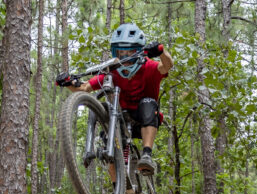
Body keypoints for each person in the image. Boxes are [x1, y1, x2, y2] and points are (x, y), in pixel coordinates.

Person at [56, 23, 173, 176]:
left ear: (138, 51)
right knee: (107, 126)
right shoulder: (113, 73)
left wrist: (161, 51)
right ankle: (117, 190)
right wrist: (68, 82)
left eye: (130, 52)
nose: (125, 57)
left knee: (148, 103)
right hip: (121, 120)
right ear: (114, 53)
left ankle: (146, 155)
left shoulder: (150, 67)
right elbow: (84, 88)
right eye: (121, 52)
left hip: (146, 119)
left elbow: (167, 66)